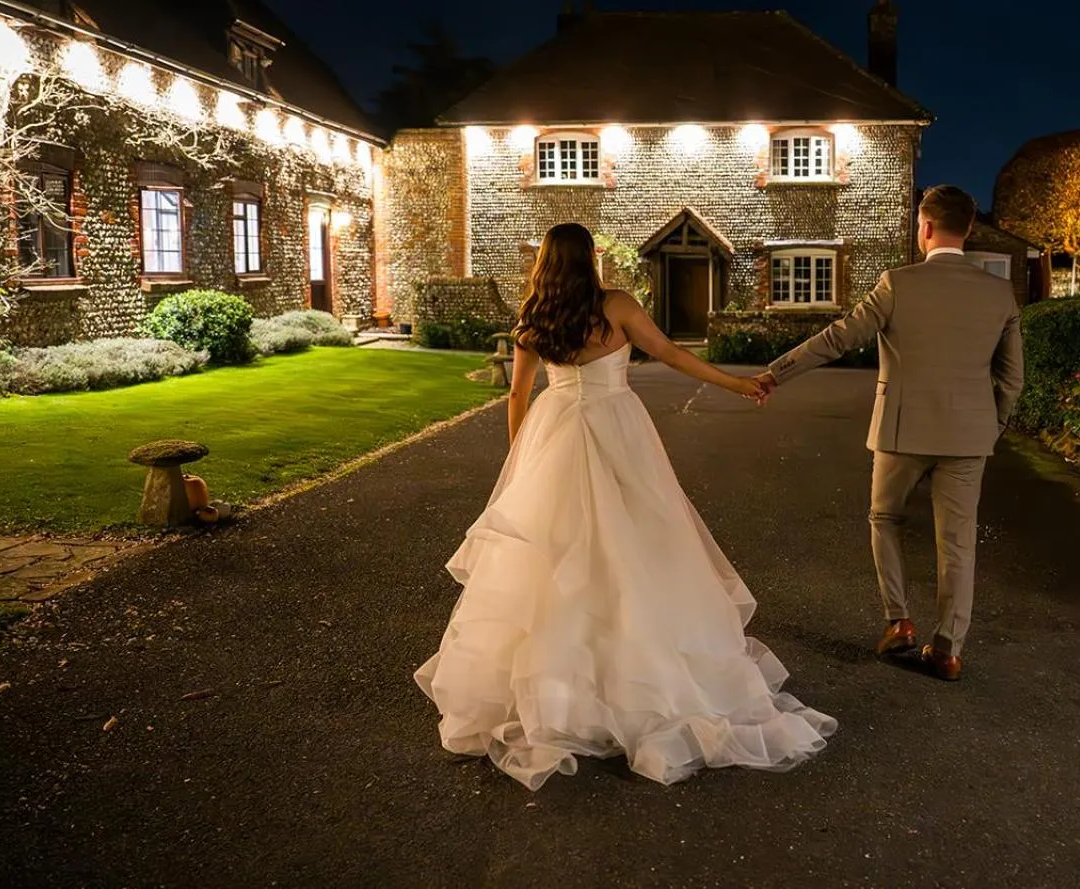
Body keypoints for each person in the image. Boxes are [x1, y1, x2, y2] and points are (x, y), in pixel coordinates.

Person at [415, 222, 836, 790]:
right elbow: (668, 353)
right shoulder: (615, 306)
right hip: (618, 426)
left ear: (544, 262)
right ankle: (644, 675)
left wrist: (521, 463)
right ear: (590, 258)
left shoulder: (534, 317)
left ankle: (563, 690)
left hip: (555, 433)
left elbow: (517, 395)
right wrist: (737, 385)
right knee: (641, 538)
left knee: (559, 555)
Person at [755, 185, 1024, 683]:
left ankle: (899, 622)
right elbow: (1011, 378)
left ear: (923, 227)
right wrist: (993, 425)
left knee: (884, 518)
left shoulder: (897, 284)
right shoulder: (999, 293)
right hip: (968, 436)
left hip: (900, 431)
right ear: (968, 229)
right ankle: (948, 648)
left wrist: (776, 372)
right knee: (958, 542)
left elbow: (840, 337)